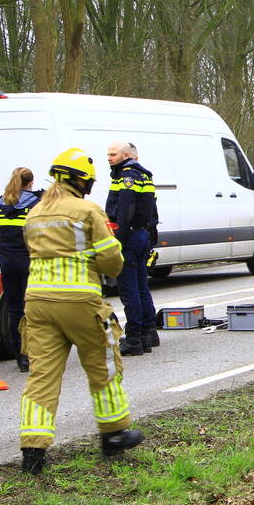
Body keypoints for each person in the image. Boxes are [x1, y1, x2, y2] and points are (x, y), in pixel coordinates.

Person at [19, 148, 143, 474]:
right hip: (80, 301)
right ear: (80, 180)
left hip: (37, 303)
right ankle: (114, 434)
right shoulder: (88, 210)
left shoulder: (34, 213)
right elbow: (111, 260)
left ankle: (33, 450)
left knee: (42, 376)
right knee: (104, 366)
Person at [105, 141, 159, 356]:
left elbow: (125, 211)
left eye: (113, 154)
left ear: (126, 155)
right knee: (141, 286)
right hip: (141, 234)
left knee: (129, 290)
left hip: (129, 237)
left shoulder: (127, 176)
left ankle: (134, 338)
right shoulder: (144, 175)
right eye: (108, 154)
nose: (109, 158)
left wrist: (117, 241)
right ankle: (148, 333)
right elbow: (151, 210)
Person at [0, 167, 41, 371]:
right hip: (29, 262)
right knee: (33, 309)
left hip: (7, 263)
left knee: (14, 308)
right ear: (30, 183)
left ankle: (21, 356)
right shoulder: (35, 205)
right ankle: (34, 353)